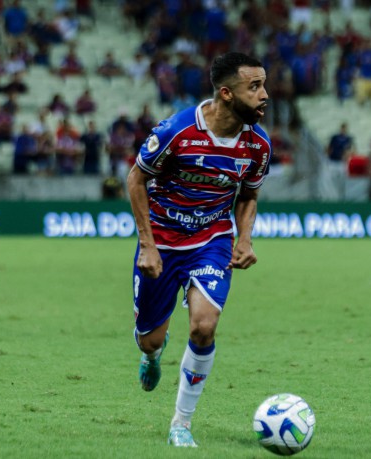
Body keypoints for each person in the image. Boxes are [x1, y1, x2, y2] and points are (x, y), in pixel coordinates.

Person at [127, 52, 271, 448]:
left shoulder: (258, 145)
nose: (264, 95)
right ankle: (152, 356)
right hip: (161, 239)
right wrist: (147, 246)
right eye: (254, 87)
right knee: (149, 339)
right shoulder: (177, 130)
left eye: (264, 85)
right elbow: (136, 180)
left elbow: (249, 195)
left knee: (204, 325)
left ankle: (181, 423)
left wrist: (244, 239)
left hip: (211, 240)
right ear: (226, 93)